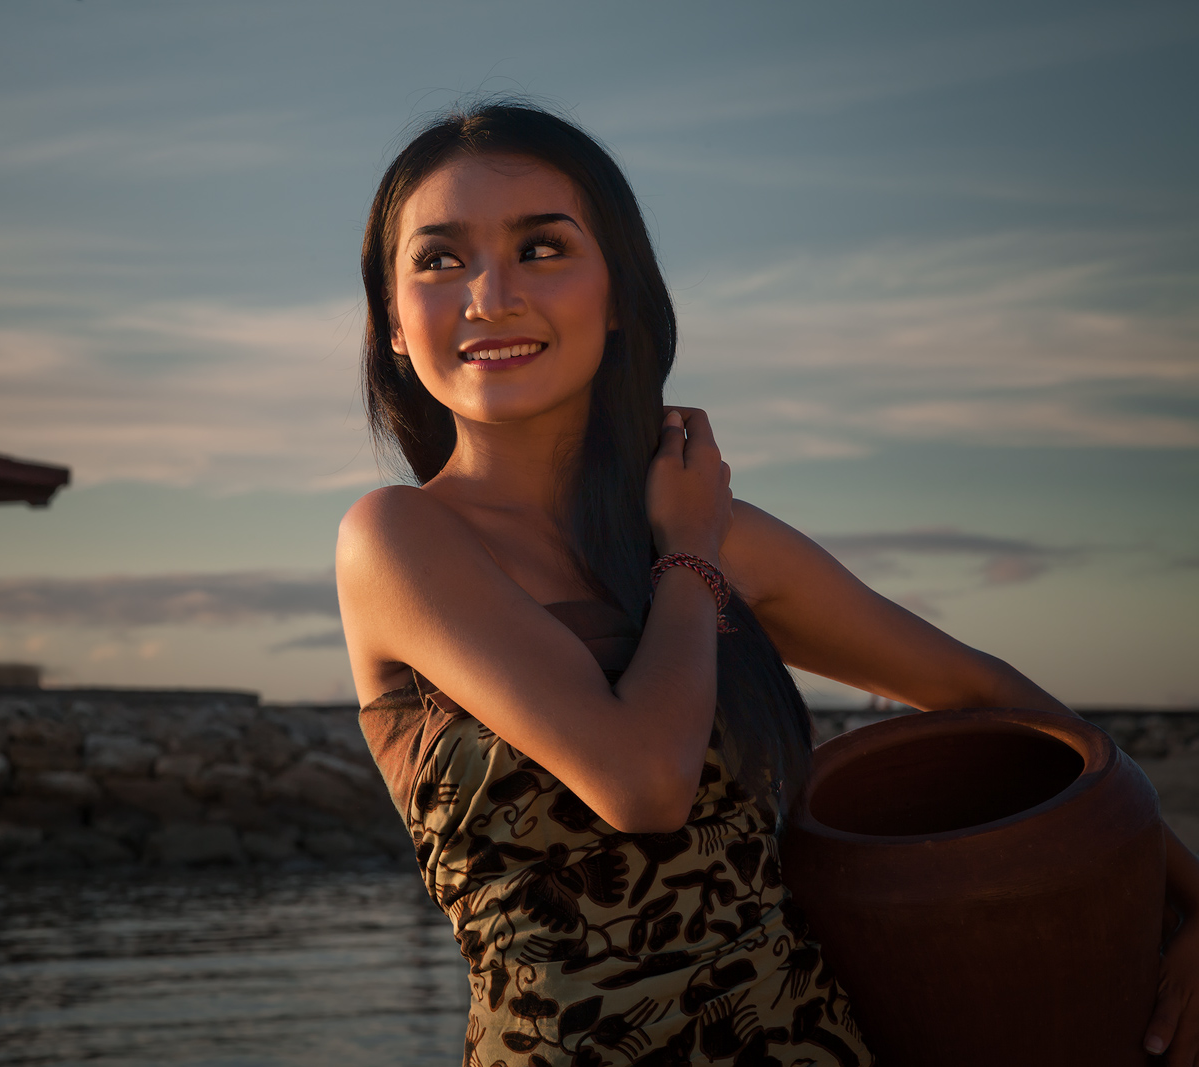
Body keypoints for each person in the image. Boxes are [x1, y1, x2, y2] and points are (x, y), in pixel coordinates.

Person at [335, 101, 1199, 1066]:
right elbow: (642, 781)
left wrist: (1190, 894)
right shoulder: (400, 537)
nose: (489, 295)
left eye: (542, 248)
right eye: (439, 260)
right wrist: (693, 554)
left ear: (620, 295)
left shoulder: (707, 536)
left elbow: (989, 696)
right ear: (393, 326)